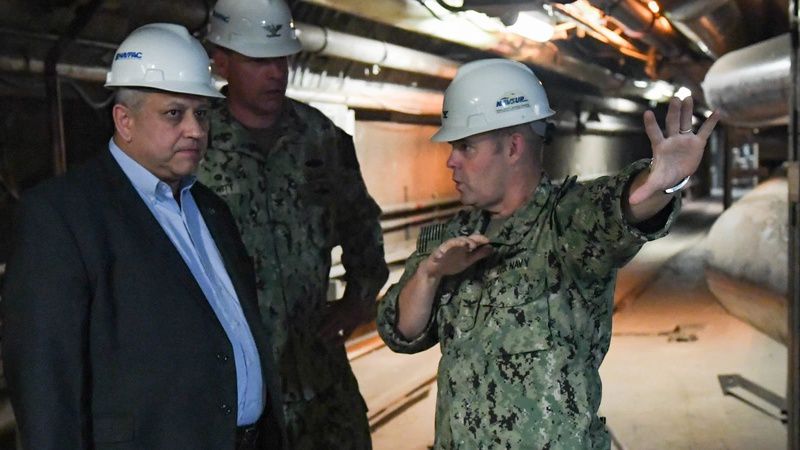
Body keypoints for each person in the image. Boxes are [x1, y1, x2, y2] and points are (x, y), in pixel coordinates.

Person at [376, 58, 720, 449]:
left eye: (465, 146)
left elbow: (618, 208)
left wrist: (660, 184)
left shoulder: (566, 223)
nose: (451, 160)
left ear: (513, 146)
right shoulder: (454, 234)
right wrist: (430, 274)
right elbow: (399, 331)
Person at [1, 23, 286, 450]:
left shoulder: (212, 210)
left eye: (202, 114)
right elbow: (46, 384)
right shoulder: (62, 217)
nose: (195, 129)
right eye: (175, 113)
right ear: (124, 120)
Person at [197, 0, 389, 448]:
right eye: (259, 60)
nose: (276, 72)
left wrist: (360, 299)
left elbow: (363, 225)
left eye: (282, 58)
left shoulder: (320, 139)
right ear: (221, 61)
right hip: (239, 389)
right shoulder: (195, 146)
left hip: (321, 381)